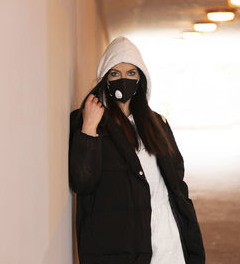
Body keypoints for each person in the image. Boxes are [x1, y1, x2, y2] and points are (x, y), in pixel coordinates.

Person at [68, 36, 205, 264]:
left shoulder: (156, 122)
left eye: (131, 73)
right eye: (115, 73)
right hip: (120, 238)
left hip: (165, 233)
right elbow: (82, 182)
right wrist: (89, 128)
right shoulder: (87, 120)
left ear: (141, 79)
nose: (124, 79)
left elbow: (176, 175)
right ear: (105, 79)